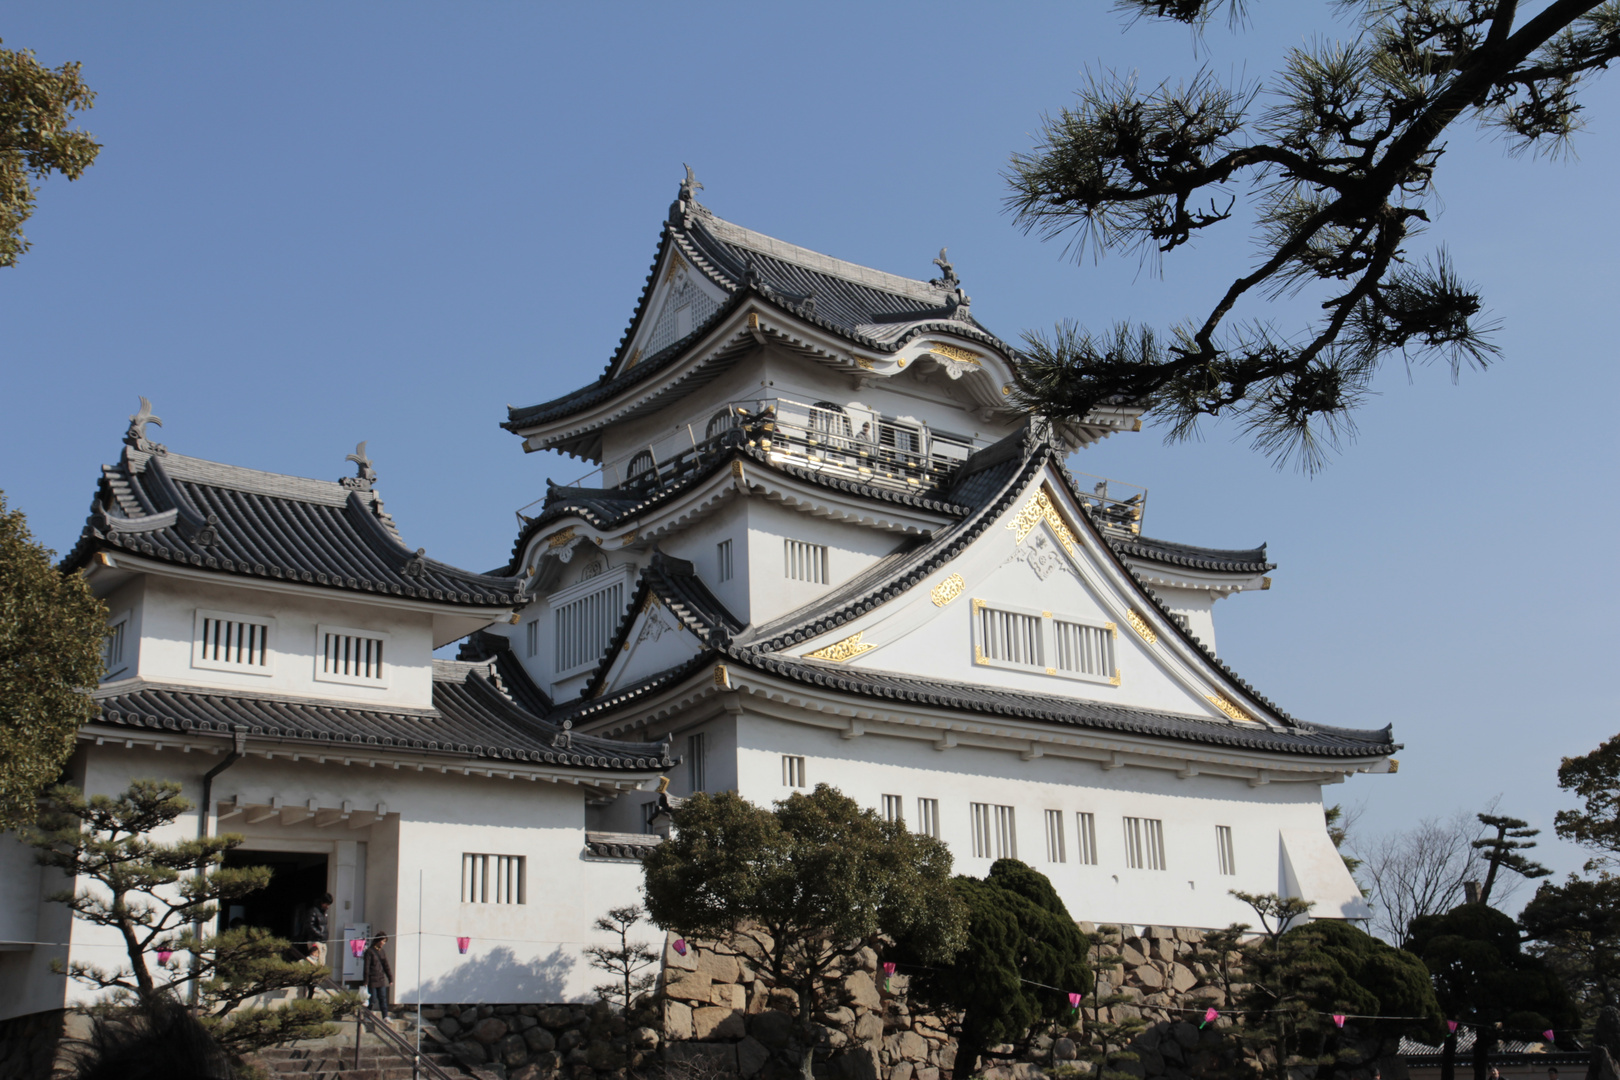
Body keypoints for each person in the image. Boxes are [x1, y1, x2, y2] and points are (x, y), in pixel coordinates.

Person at [364, 932, 394, 1015]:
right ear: (379, 940)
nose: (384, 943)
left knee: (383, 998)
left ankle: (385, 1016)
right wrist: (365, 981)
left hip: (381, 978)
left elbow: (386, 965)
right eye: (383, 941)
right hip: (372, 979)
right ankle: (367, 1014)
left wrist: (390, 978)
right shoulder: (369, 952)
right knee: (372, 999)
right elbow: (366, 967)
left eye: (385, 942)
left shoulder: (382, 952)